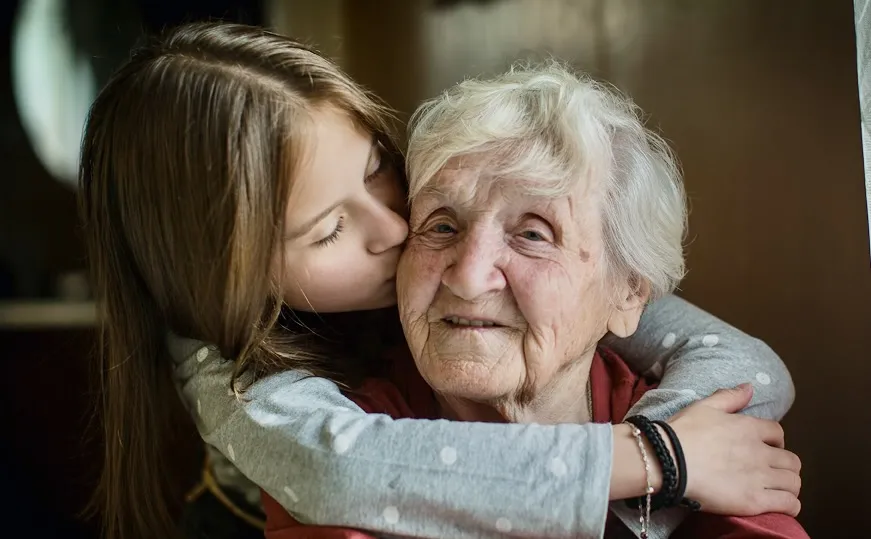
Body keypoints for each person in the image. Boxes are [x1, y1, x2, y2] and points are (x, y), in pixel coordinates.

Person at [79, 22, 798, 539]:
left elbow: (747, 367)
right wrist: (655, 460)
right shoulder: (233, 375)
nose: (397, 231)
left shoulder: (594, 291)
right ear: (229, 279)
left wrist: (673, 461)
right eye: (328, 229)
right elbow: (343, 474)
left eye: (377, 172)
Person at [260, 61, 807, 538]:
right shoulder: (342, 436)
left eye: (533, 235)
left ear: (628, 292)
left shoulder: (710, 440)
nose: (470, 278)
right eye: (442, 225)